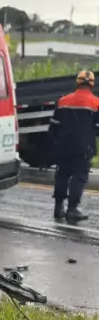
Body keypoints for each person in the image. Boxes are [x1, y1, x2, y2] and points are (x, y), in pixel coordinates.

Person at [49, 70, 99, 222]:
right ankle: (72, 209)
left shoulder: (63, 101)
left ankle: (58, 208)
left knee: (62, 174)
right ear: (92, 84)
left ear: (77, 82)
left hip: (64, 145)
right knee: (79, 176)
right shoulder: (96, 103)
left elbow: (53, 126)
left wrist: (57, 141)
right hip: (84, 147)